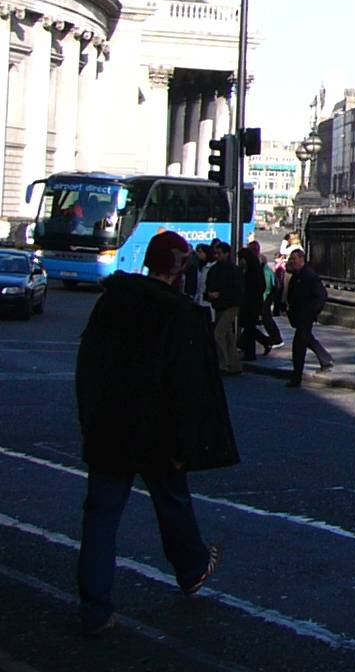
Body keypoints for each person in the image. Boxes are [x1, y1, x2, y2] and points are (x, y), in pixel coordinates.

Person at [75, 229, 234, 637]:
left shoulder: (113, 301)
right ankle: (192, 566)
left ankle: (95, 607)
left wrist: (90, 418)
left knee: (101, 516)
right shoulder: (178, 314)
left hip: (110, 427)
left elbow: (88, 365)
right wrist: (186, 442)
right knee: (172, 501)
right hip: (156, 433)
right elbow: (186, 388)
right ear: (179, 269)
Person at [283, 248, 333, 387]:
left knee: (298, 346)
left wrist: (313, 312)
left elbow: (321, 295)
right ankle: (325, 359)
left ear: (301, 259)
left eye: (294, 259)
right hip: (299, 316)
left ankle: (296, 376)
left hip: (306, 316)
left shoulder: (309, 275)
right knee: (307, 339)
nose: (292, 261)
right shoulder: (296, 275)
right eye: (291, 259)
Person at [204, 241, 244, 376]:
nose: (216, 256)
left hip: (231, 305)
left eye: (219, 253)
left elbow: (237, 290)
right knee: (227, 335)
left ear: (226, 254)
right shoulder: (214, 269)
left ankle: (223, 363)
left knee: (218, 333)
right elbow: (208, 285)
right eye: (215, 253)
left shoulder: (233, 270)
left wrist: (219, 294)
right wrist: (209, 294)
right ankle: (234, 365)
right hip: (219, 305)